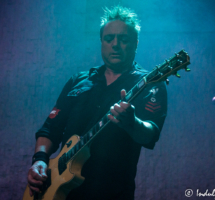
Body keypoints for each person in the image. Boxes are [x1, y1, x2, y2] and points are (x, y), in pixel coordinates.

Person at [27, 6, 167, 200]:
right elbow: (50, 128)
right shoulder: (79, 80)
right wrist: (40, 160)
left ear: (135, 43)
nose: (115, 44)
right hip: (57, 190)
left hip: (111, 193)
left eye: (123, 39)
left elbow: (150, 134)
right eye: (109, 38)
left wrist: (132, 122)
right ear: (101, 42)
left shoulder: (150, 83)